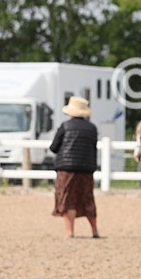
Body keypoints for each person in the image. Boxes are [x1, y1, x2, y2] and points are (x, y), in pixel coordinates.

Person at [49, 96, 100, 239]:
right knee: (87, 198)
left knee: (67, 198)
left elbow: (54, 147)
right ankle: (94, 230)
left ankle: (69, 231)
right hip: (87, 168)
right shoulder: (92, 128)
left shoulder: (65, 126)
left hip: (66, 168)